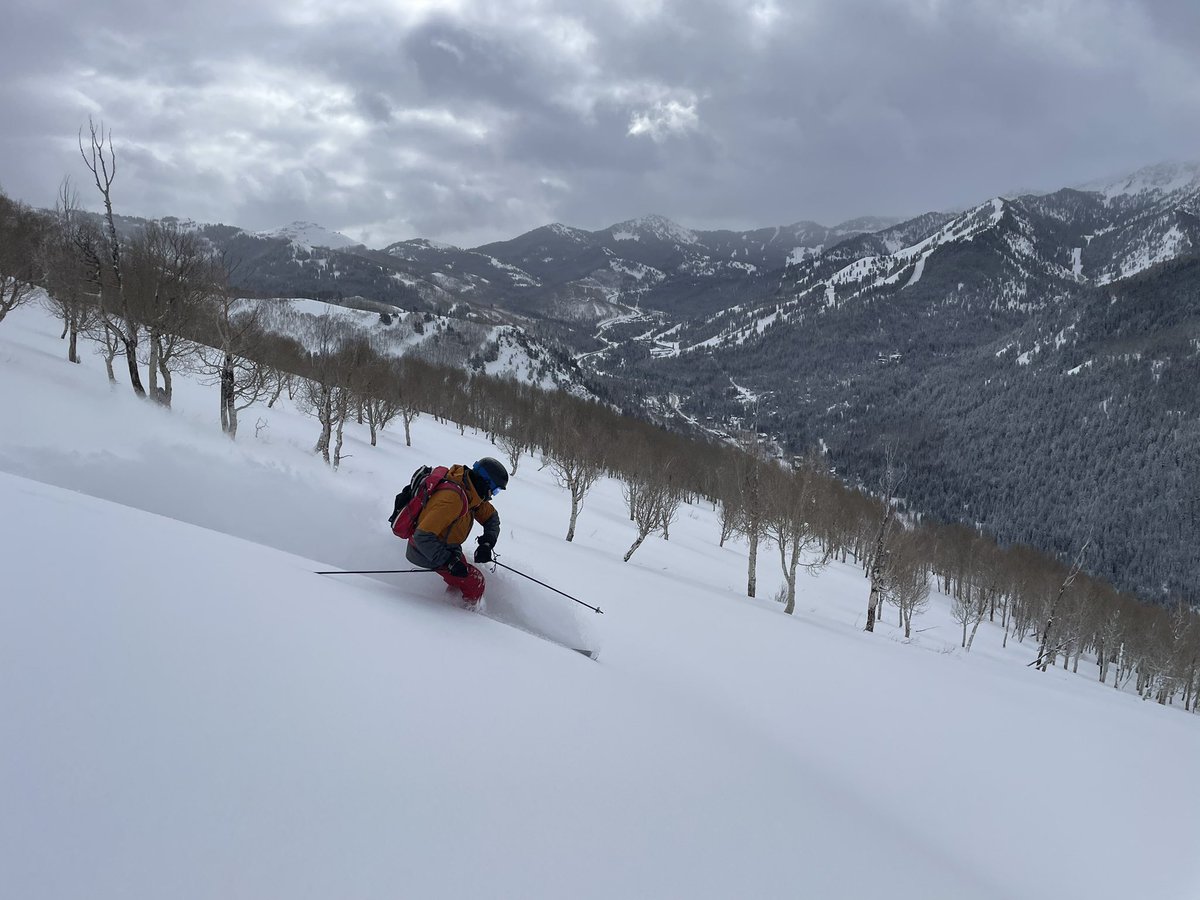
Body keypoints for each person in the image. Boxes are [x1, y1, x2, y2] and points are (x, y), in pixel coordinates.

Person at [405, 457, 508, 606]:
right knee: (474, 582)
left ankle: (450, 605)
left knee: (462, 577)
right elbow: (422, 536)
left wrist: (487, 542)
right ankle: (462, 620)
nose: (492, 495)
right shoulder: (453, 499)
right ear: (486, 482)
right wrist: (449, 562)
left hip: (448, 547)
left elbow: (491, 518)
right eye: (496, 490)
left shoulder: (472, 492)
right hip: (425, 550)